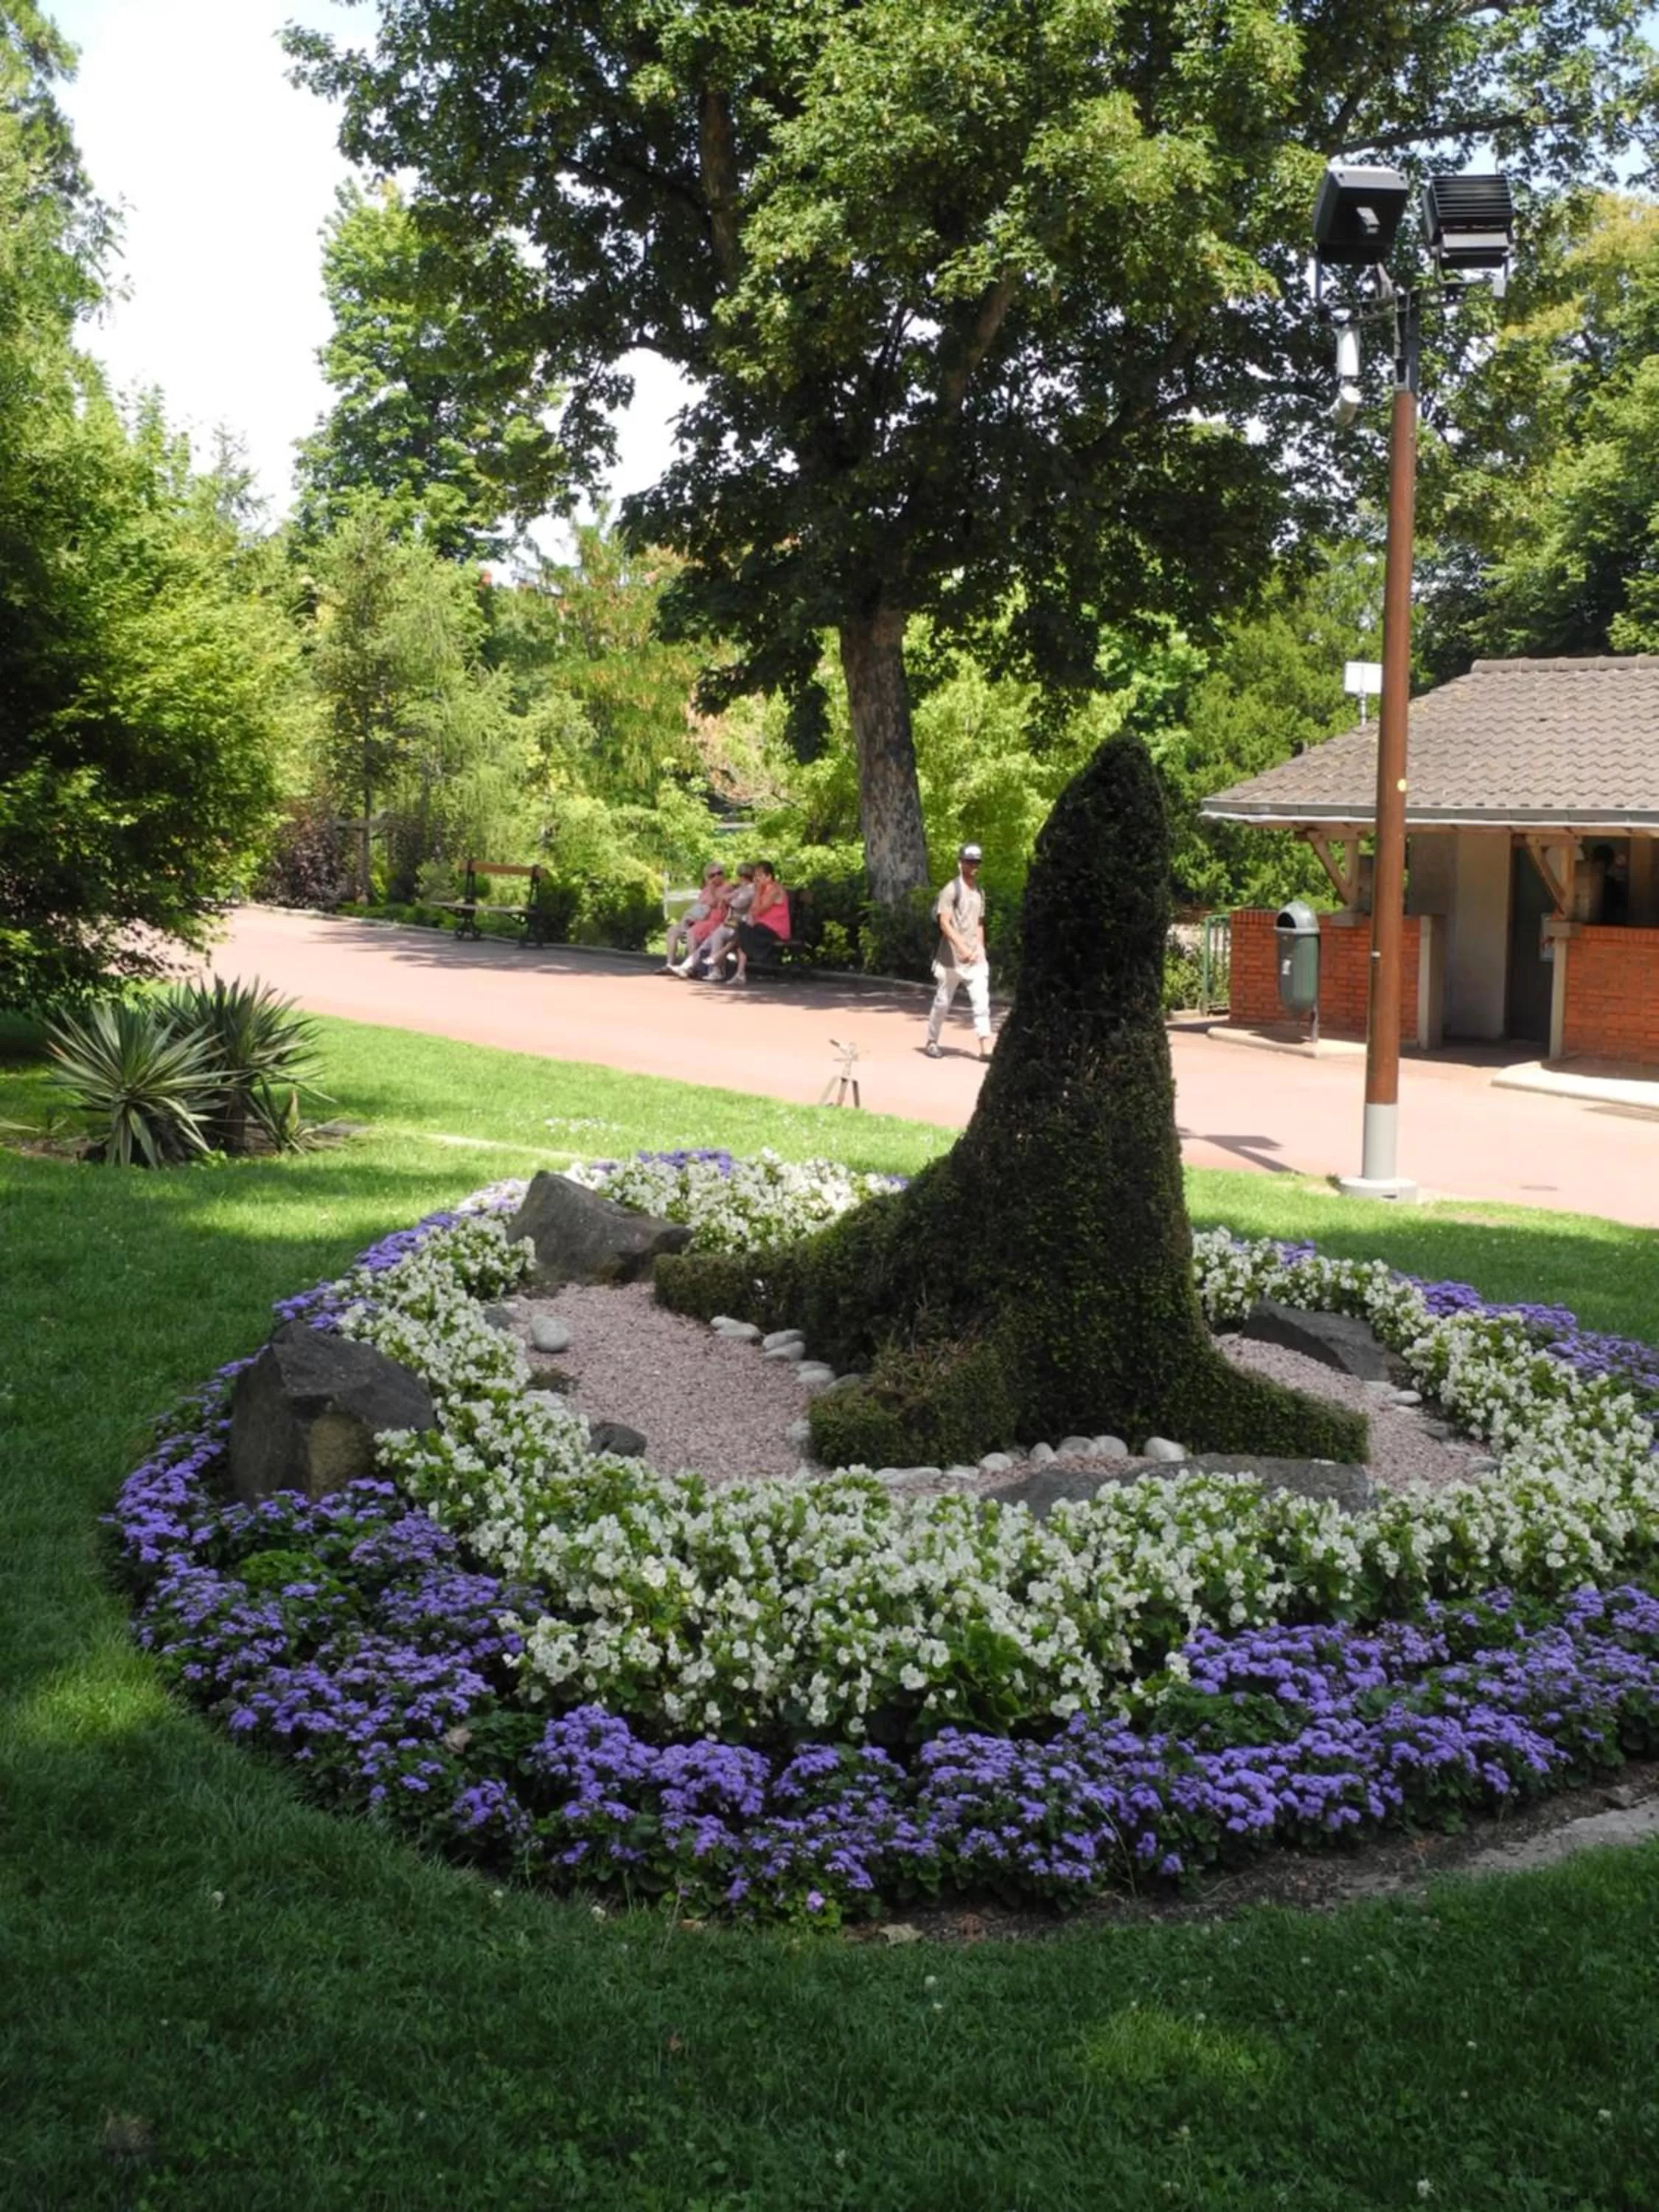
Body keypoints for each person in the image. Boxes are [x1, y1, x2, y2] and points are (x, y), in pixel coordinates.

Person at [925, 843, 991, 1059]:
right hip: (950, 959)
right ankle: (932, 1041)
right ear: (960, 863)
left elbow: (980, 923)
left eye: (977, 862)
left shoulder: (980, 892)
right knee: (943, 1001)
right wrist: (961, 947)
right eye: (970, 861)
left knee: (982, 1002)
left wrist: (980, 949)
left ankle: (985, 1048)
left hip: (975, 959)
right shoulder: (951, 889)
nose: (974, 866)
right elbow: (944, 923)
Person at [682, 860, 755, 978]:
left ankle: (714, 969)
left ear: (745, 877)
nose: (739, 880)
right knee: (712, 939)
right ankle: (691, 967)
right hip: (731, 922)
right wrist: (726, 898)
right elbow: (725, 898)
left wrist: (727, 900)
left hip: (742, 923)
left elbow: (737, 903)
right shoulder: (742, 888)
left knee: (718, 935)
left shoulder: (751, 889)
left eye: (741, 877)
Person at [726, 860, 790, 984]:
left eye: (760, 876)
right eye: (756, 876)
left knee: (743, 931)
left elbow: (758, 911)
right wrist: (758, 891)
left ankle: (722, 956)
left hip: (775, 930)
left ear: (769, 876)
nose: (757, 879)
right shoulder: (763, 889)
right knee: (742, 929)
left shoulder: (774, 889)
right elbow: (754, 910)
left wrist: (758, 891)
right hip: (762, 926)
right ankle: (739, 974)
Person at [663, 862, 726, 970]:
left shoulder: (725, 887)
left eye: (719, 873)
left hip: (712, 922)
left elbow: (714, 903)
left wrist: (711, 889)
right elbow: (700, 905)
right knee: (672, 931)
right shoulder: (706, 890)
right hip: (697, 920)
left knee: (692, 933)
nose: (716, 877)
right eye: (712, 875)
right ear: (707, 877)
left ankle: (691, 967)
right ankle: (670, 964)